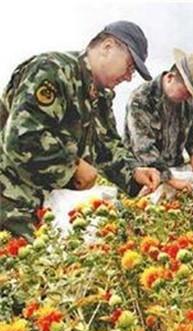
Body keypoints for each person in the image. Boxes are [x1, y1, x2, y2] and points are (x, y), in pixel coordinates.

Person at [0, 21, 160, 238]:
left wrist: (134, 173)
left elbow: (107, 147)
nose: (129, 77)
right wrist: (73, 166)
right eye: (130, 66)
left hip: (52, 204)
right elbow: (22, 138)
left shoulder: (100, 97)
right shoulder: (53, 71)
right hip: (12, 199)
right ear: (108, 47)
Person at [124, 49, 193, 192]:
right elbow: (143, 148)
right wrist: (170, 179)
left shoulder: (187, 101)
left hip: (176, 173)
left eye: (192, 94)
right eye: (186, 92)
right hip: (145, 179)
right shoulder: (142, 99)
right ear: (170, 77)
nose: (188, 98)